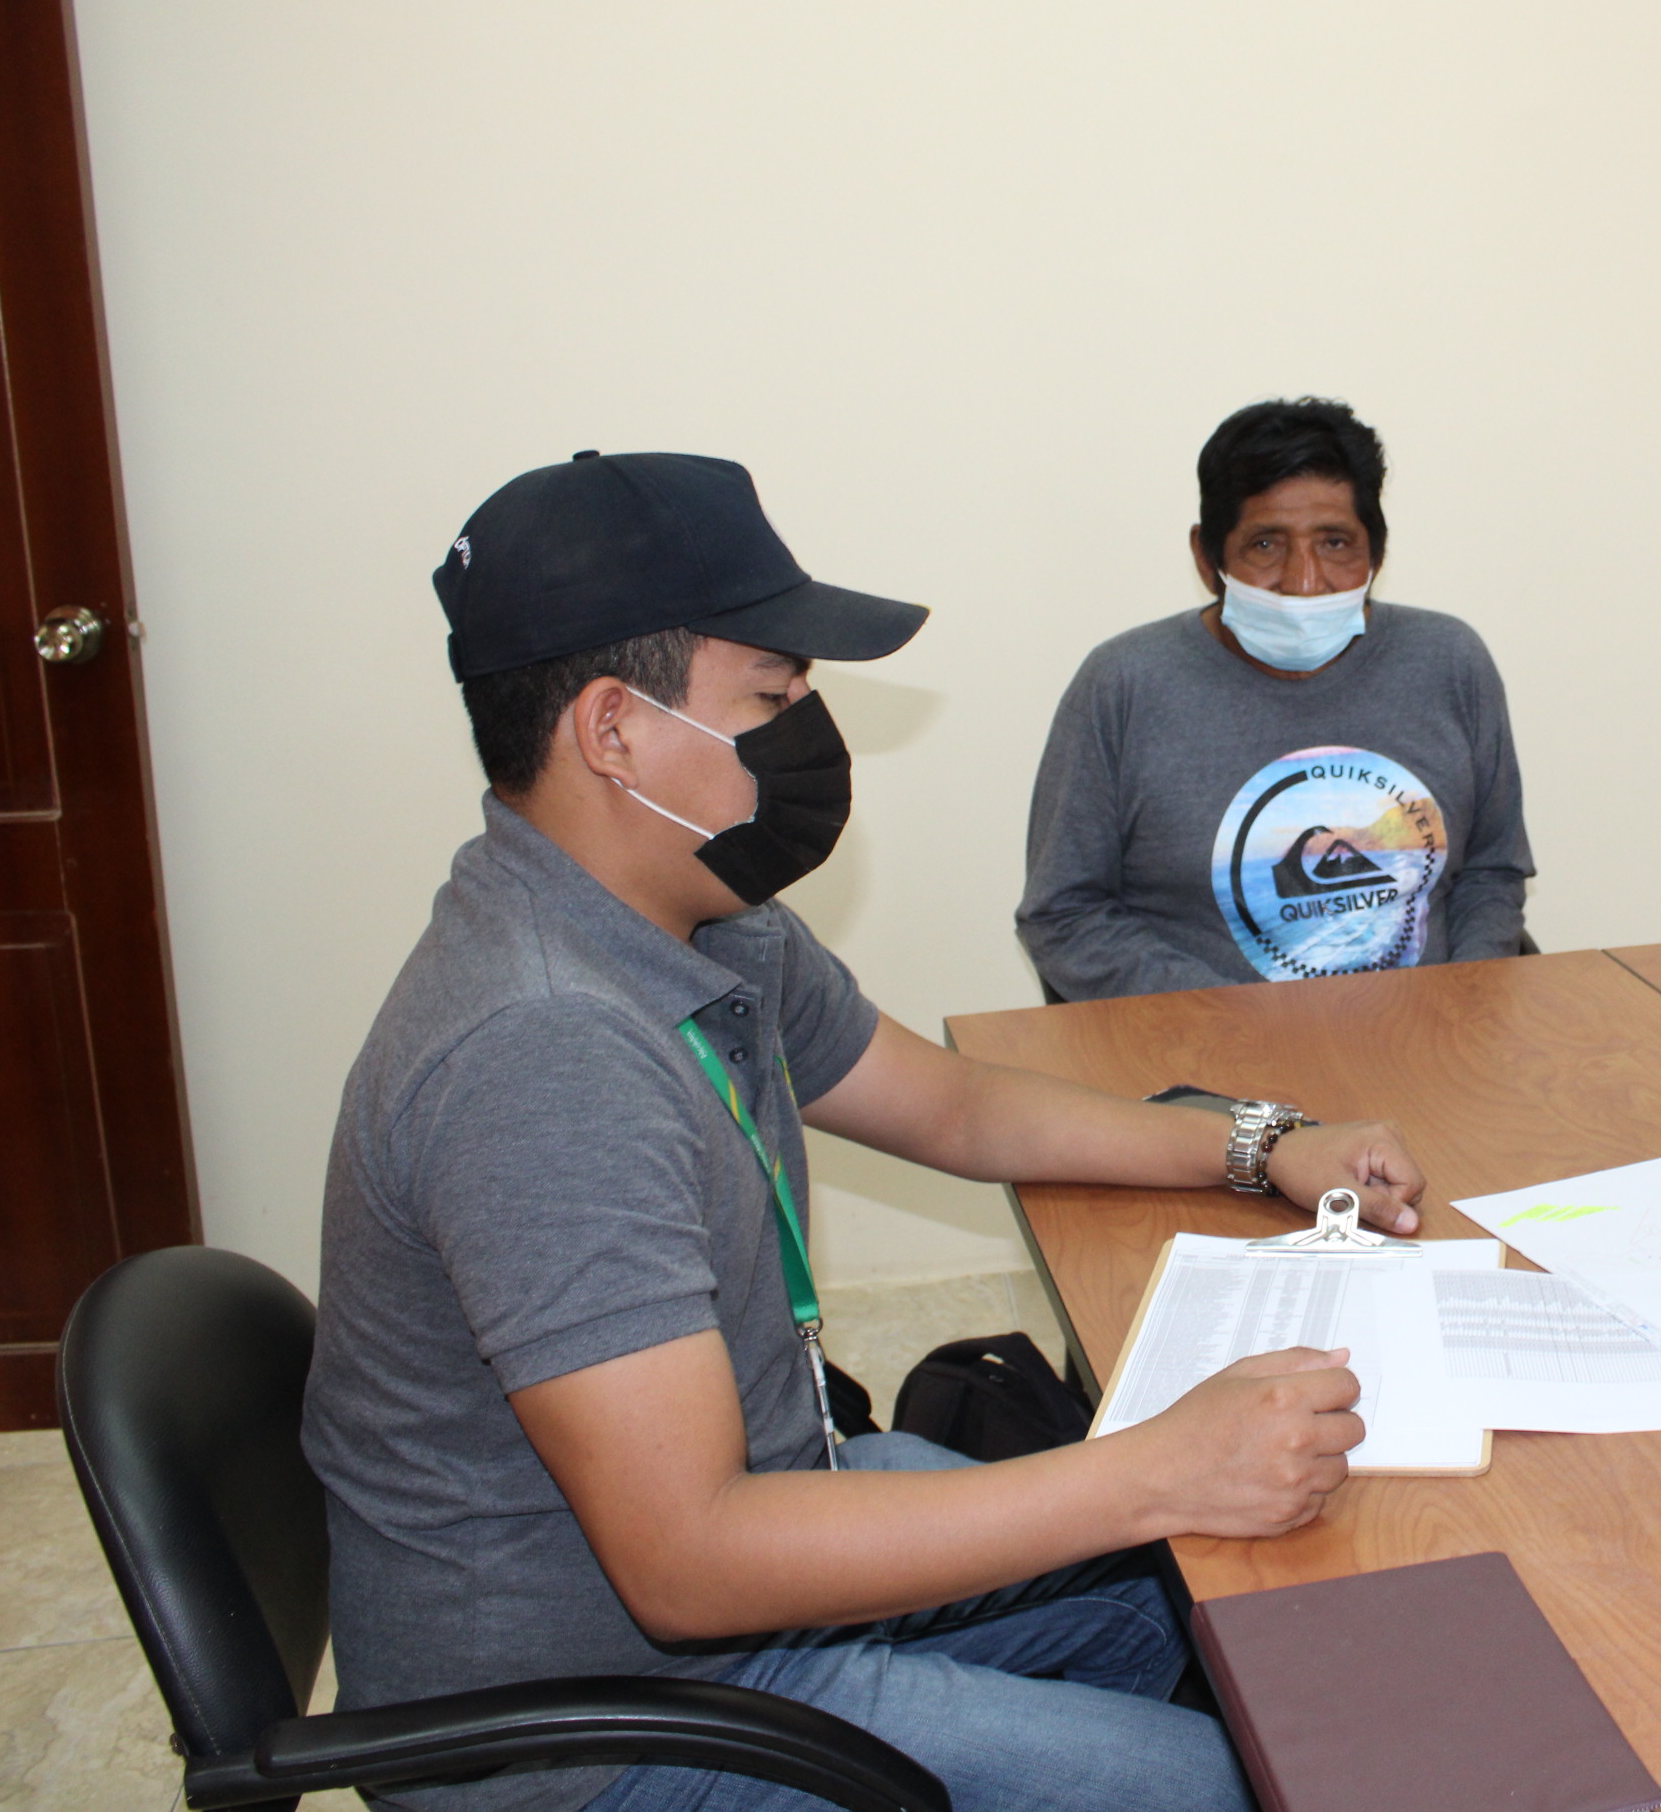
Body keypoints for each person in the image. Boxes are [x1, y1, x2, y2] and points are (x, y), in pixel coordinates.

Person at [306, 450, 1430, 1812]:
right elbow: (689, 1562)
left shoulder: (692, 919)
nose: (809, 733)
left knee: (1191, 1616)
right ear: (612, 730)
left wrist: (1259, 1143)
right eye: (772, 696)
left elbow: (954, 1105)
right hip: (601, 1731)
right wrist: (1153, 1471)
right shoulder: (542, 1051)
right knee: (1223, 1781)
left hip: (752, 1549)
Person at [1017, 398, 1532, 1000]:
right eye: (1265, 545)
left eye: (1335, 542)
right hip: (1211, 1041)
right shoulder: (1124, 686)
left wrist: (1462, 1002)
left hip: (1429, 1034)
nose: (1303, 581)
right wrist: (1238, 1024)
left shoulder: (1449, 660)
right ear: (1207, 558)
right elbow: (1064, 915)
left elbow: (1491, 872)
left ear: (1377, 552)